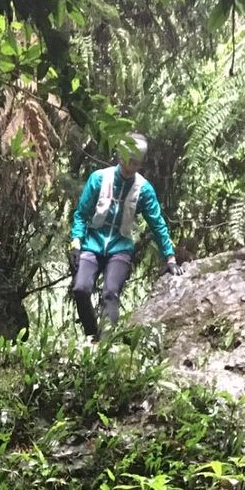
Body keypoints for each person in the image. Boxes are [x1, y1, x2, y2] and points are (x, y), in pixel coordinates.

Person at [69, 133, 179, 340]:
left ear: (140, 163)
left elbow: (157, 223)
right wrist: (76, 242)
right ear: (120, 157)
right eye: (127, 160)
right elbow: (81, 215)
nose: (130, 166)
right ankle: (92, 333)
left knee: (110, 292)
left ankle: (106, 342)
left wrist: (170, 257)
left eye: (135, 163)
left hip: (120, 248)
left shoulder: (144, 189)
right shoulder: (100, 178)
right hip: (92, 244)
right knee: (81, 288)